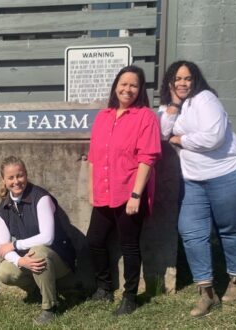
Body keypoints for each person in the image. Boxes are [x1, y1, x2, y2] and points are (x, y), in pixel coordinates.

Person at [159, 60, 236, 317]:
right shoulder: (171, 107)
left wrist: (180, 139)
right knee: (191, 232)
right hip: (193, 180)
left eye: (187, 78)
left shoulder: (206, 99)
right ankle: (206, 292)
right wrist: (174, 106)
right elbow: (161, 132)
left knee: (231, 229)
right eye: (177, 78)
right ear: (169, 81)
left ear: (195, 80)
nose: (182, 83)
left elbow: (213, 138)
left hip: (228, 173)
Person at [86, 65, 162, 316]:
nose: (127, 89)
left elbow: (147, 158)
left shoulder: (145, 117)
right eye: (123, 83)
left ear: (140, 90)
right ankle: (104, 288)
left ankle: (130, 296)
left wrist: (136, 195)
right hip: (104, 193)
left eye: (133, 85)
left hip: (129, 193)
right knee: (95, 240)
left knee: (129, 245)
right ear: (115, 85)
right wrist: (91, 189)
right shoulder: (104, 116)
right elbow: (94, 158)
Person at [0, 156, 76, 325]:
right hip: (31, 258)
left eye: (20, 175)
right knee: (4, 272)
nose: (16, 181)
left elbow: (47, 237)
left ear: (26, 175)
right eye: (11, 177)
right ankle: (36, 290)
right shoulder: (3, 208)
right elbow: (2, 248)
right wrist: (20, 261)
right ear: (3, 180)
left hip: (59, 258)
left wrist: (15, 245)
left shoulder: (41, 197)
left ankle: (50, 307)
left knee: (37, 251)